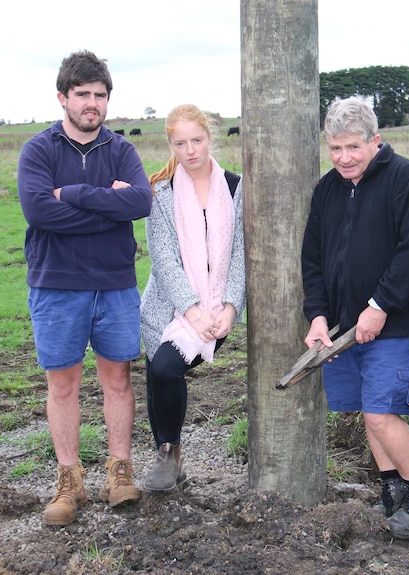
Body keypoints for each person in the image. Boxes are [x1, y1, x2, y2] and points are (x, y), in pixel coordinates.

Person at [17, 50, 152, 526]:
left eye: (100, 95)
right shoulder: (38, 149)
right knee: (63, 383)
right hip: (57, 285)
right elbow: (38, 213)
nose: (92, 103)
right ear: (63, 98)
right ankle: (69, 479)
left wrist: (72, 195)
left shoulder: (121, 149)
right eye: (82, 95)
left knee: (118, 378)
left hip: (115, 284)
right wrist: (107, 205)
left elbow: (141, 201)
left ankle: (119, 471)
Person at [301, 97, 409, 540]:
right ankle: (391, 490)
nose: (343, 158)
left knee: (382, 414)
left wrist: (379, 306)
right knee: (366, 411)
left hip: (392, 323)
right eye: (335, 148)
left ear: (375, 141)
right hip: (343, 328)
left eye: (353, 148)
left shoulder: (404, 179)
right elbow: (314, 259)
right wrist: (319, 317)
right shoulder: (327, 189)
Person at [140, 104, 245, 491]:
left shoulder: (235, 186)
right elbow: (164, 259)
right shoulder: (160, 192)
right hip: (166, 306)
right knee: (157, 372)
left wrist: (230, 307)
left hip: (218, 307)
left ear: (209, 137)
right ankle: (168, 458)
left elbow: (240, 253)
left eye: (197, 140)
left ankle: (167, 454)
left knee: (166, 368)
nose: (190, 150)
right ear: (171, 144)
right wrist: (190, 309)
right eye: (180, 143)